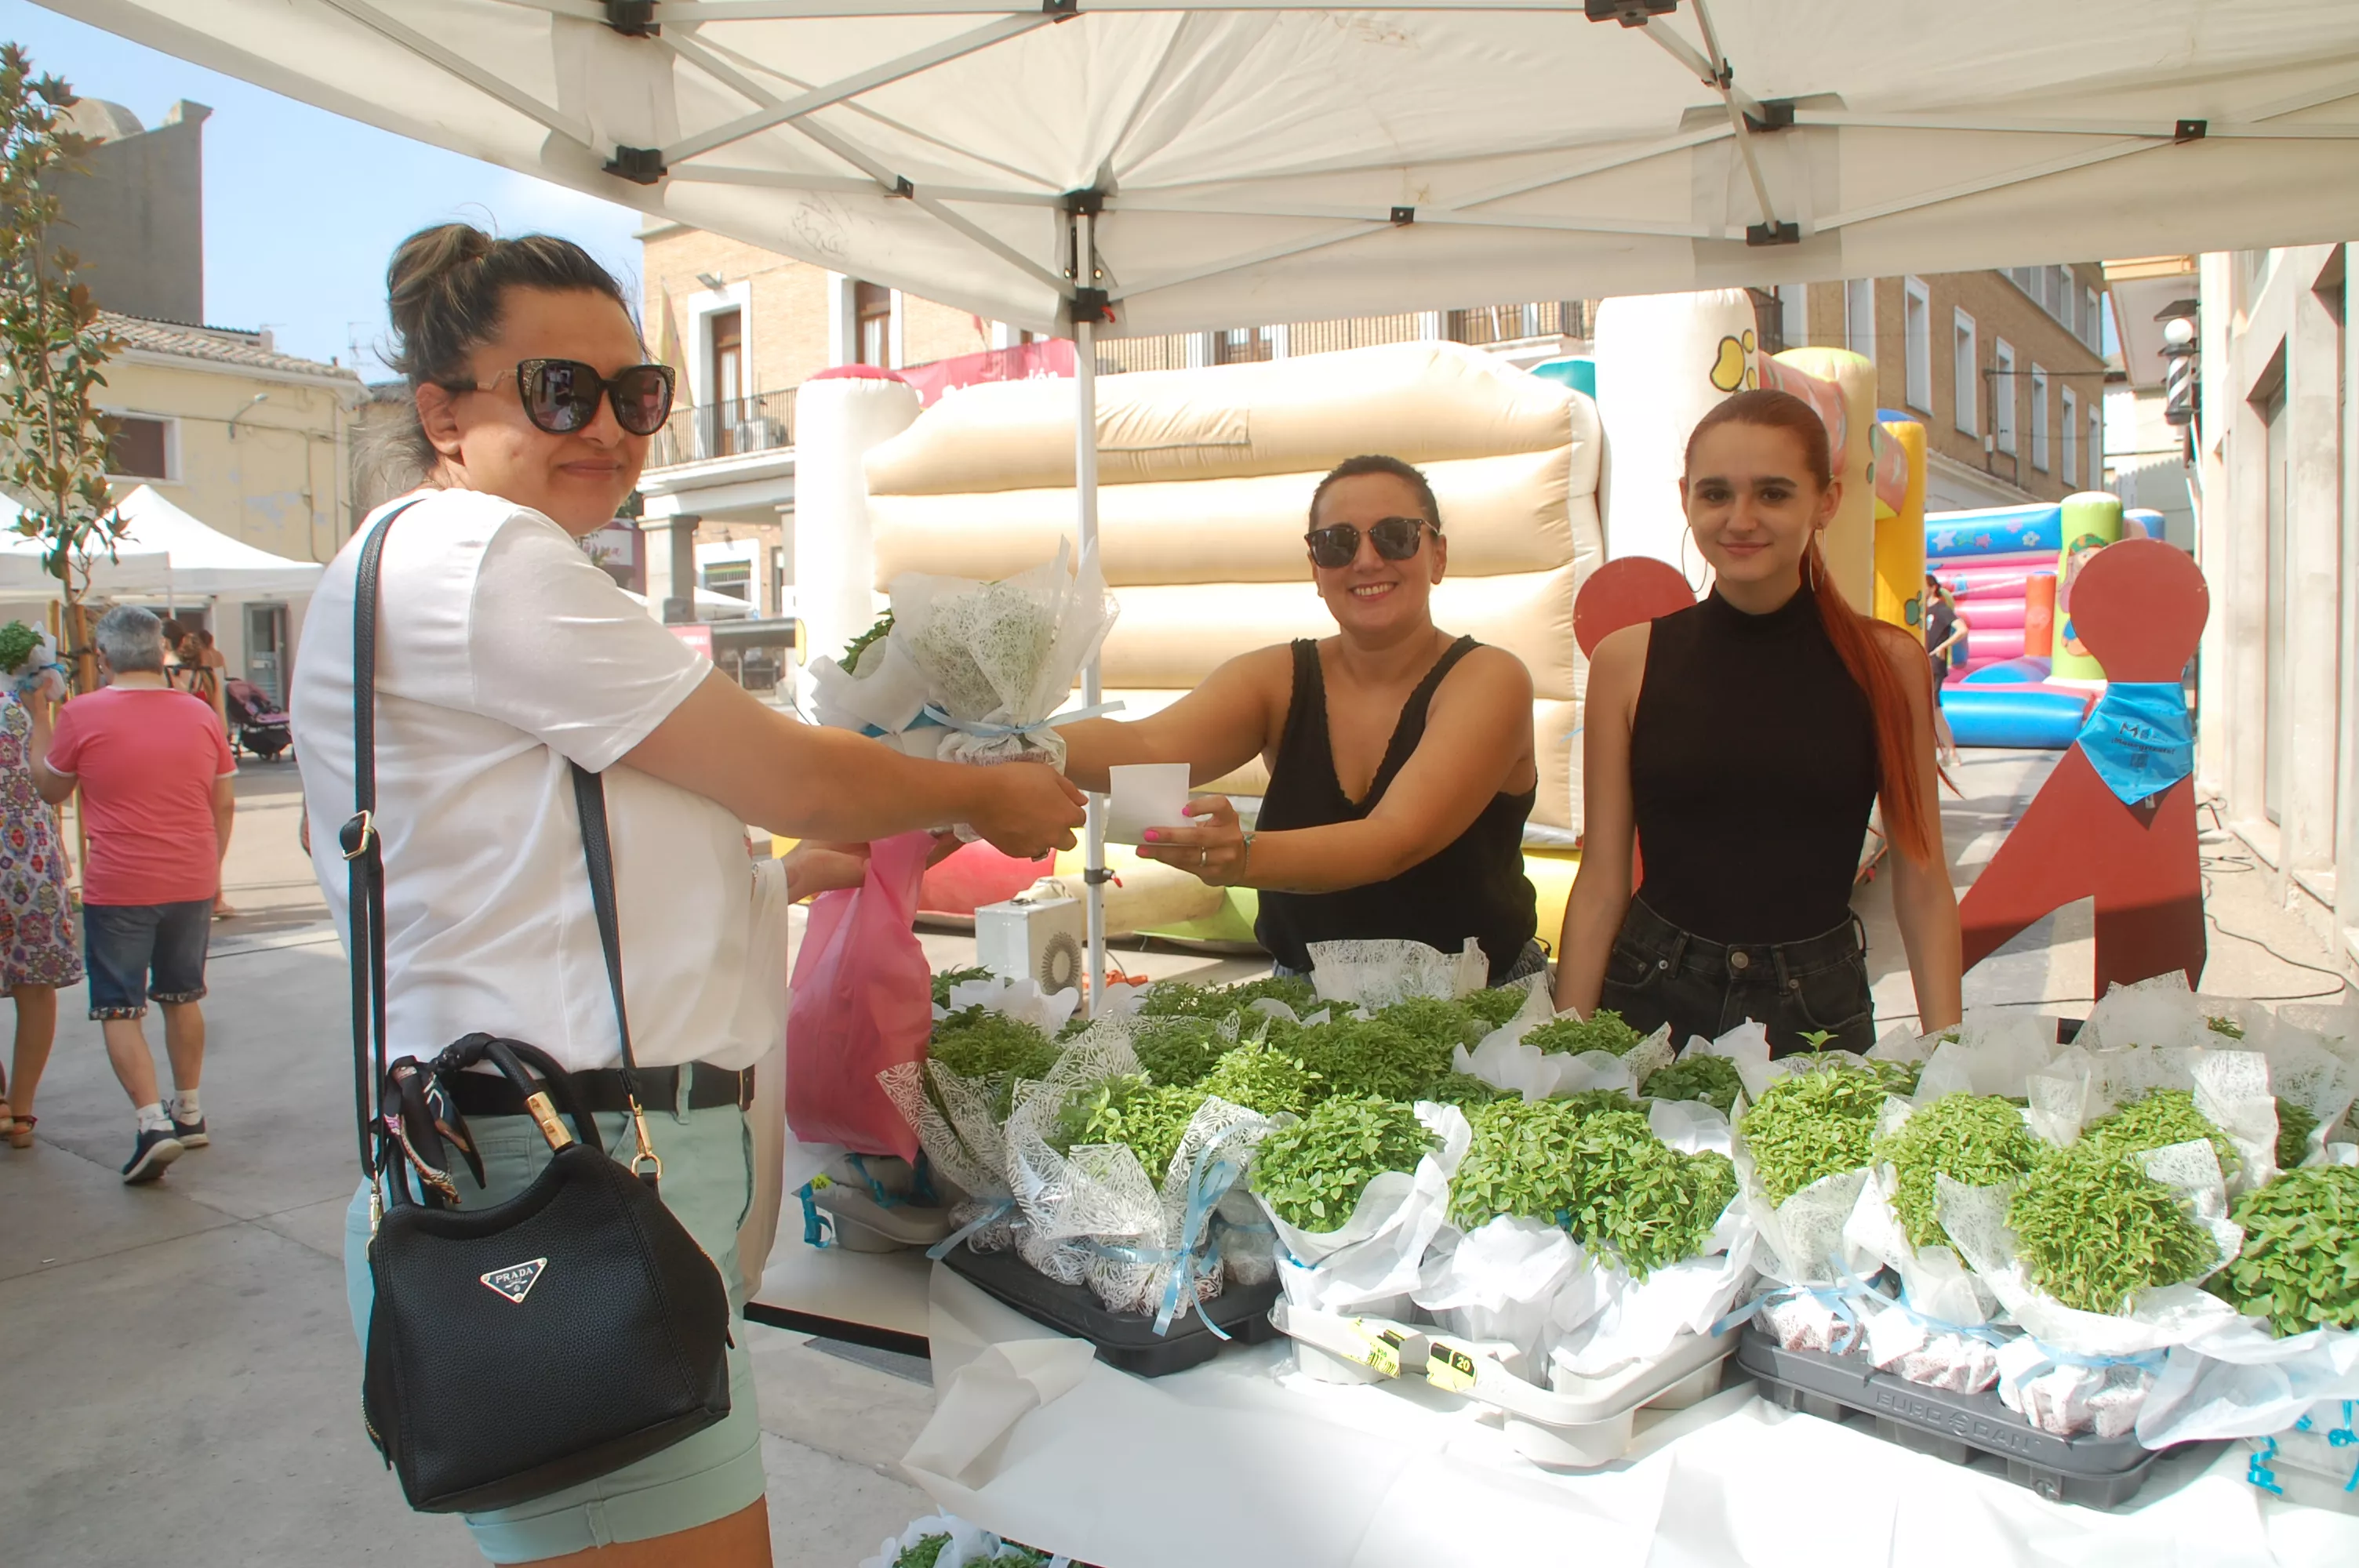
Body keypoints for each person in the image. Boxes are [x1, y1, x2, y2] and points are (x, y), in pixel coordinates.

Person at [290, 223, 1083, 1566]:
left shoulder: (414, 563)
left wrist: (773, 873)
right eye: (558, 391)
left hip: (539, 1161)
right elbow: (790, 773)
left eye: (636, 393)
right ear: (443, 408)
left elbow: (528, 863)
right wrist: (986, 789)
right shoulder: (482, 557)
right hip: (574, 1176)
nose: (608, 426)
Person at [1554, 390, 1961, 1055]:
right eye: (1716, 494)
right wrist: (1562, 1044)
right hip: (1650, 995)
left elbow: (1922, 880)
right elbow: (1602, 878)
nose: (1740, 519)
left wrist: (1953, 1059)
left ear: (1825, 502)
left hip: (1816, 1006)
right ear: (1687, 498)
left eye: (1772, 494)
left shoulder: (1889, 664)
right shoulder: (1626, 662)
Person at [1060, 454, 1543, 984]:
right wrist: (1014, 744)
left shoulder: (1490, 679)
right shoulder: (1277, 679)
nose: (1366, 560)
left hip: (1476, 1002)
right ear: (1316, 568)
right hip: (1305, 1000)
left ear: (1438, 555)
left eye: (1396, 536)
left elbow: (1395, 839)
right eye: (1337, 542)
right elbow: (1147, 746)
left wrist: (1241, 856)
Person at [27, 605, 237, 1179]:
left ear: (104, 657)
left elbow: (50, 788)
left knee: (119, 1004)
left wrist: (38, 712)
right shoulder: (198, 714)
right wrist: (209, 867)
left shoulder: (81, 713)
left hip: (120, 882)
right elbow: (222, 801)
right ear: (161, 652)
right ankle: (189, 1111)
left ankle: (151, 1123)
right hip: (192, 875)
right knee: (183, 995)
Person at [0, 683, 83, 1149]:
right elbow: (52, 784)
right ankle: (22, 1108)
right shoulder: (24, 697)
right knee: (35, 988)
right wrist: (40, 707)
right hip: (29, 860)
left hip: (29, 856)